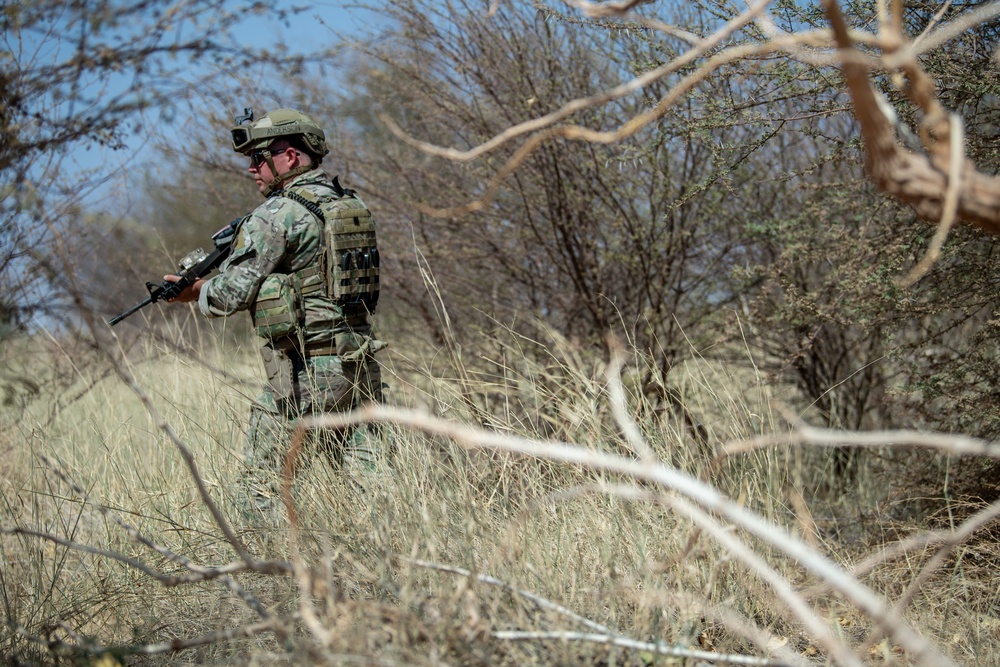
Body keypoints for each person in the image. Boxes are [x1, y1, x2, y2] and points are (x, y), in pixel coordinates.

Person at [165, 108, 386, 517]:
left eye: (258, 157)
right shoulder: (349, 202)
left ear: (290, 157)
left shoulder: (277, 215)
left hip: (308, 374)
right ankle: (378, 565)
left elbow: (231, 293)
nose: (252, 169)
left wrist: (194, 291)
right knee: (367, 489)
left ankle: (268, 573)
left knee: (260, 489)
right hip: (359, 364)